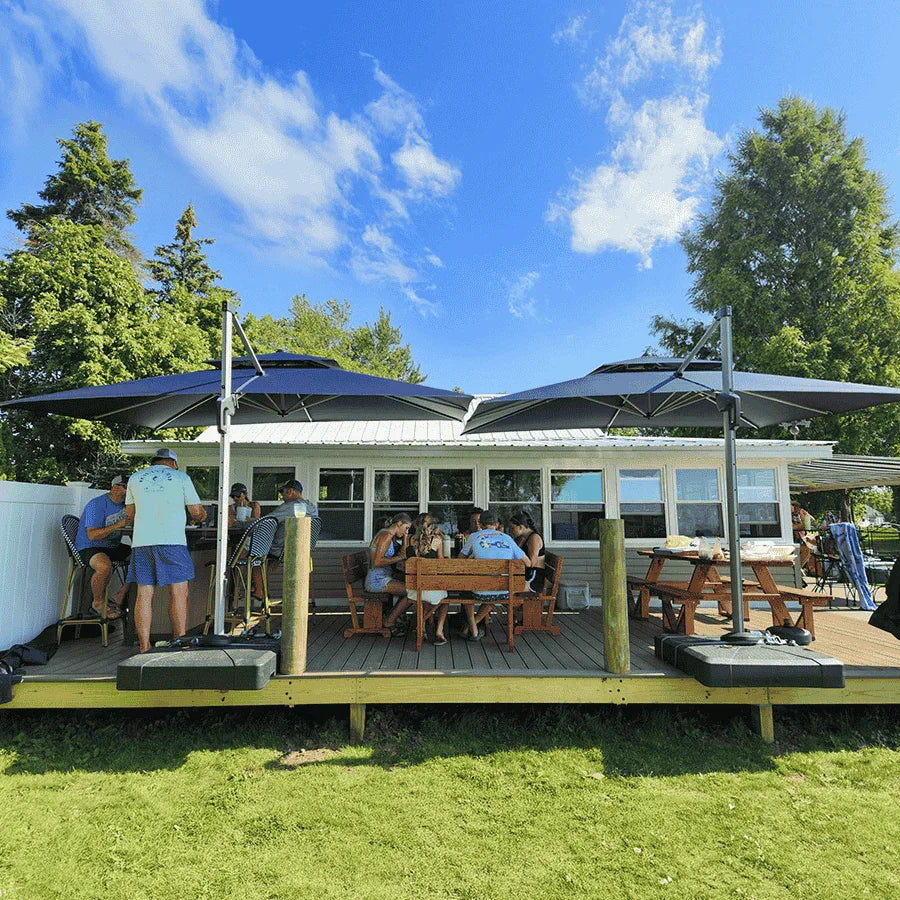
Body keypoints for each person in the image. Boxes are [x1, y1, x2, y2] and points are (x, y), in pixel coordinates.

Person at [124, 449, 206, 653]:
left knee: (144, 594)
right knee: (178, 592)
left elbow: (130, 514)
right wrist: (202, 516)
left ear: (154, 463)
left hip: (142, 541)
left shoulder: (135, 478)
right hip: (172, 541)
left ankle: (144, 646)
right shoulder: (181, 478)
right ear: (173, 463)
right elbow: (196, 512)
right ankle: (179, 641)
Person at [459, 508, 527, 640]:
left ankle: (472, 628)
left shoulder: (474, 537)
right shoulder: (507, 538)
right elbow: (528, 563)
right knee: (493, 590)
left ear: (480, 524)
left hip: (480, 591)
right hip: (504, 591)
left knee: (465, 587)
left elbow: (459, 561)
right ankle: (473, 626)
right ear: (496, 524)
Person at [73, 474, 133, 619]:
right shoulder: (97, 504)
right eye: (127, 486)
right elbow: (92, 535)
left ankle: (120, 595)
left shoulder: (127, 506)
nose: (130, 490)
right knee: (104, 566)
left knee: (143, 557)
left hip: (112, 546)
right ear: (115, 487)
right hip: (89, 546)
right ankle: (98, 604)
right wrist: (118, 525)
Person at [405, 513, 449, 645]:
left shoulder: (410, 540)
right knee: (445, 600)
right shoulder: (437, 541)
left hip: (413, 590)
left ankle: (422, 628)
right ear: (431, 526)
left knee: (422, 599)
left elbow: (406, 560)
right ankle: (439, 631)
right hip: (431, 589)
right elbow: (441, 565)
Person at [366, 513, 413, 634]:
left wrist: (405, 537)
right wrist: (398, 559)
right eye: (406, 528)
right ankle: (390, 621)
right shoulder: (386, 535)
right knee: (411, 592)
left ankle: (394, 616)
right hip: (377, 580)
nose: (406, 531)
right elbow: (376, 562)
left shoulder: (389, 534)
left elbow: (403, 555)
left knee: (410, 584)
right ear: (399, 524)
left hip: (384, 576)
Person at [508, 511, 545, 592]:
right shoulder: (521, 538)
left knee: (505, 589)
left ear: (521, 527)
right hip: (523, 574)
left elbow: (531, 563)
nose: (511, 531)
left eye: (513, 528)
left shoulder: (534, 538)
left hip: (533, 579)